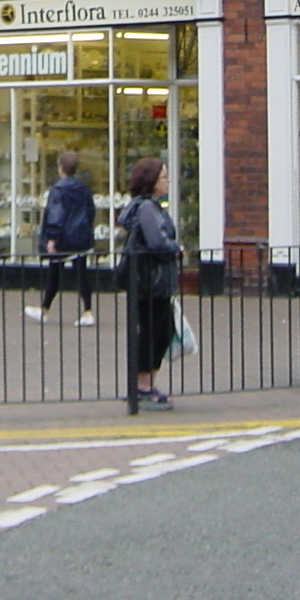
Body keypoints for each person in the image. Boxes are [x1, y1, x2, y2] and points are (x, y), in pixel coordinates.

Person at [116, 155, 181, 409]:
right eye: (164, 176)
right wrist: (176, 247)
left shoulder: (149, 207)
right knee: (155, 333)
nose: (167, 181)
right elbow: (157, 242)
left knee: (158, 332)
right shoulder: (147, 208)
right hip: (151, 281)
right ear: (151, 180)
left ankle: (146, 384)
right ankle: (143, 387)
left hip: (149, 280)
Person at [26, 151, 96, 326]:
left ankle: (44, 310)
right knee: (81, 274)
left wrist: (51, 238)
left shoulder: (58, 190)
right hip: (80, 237)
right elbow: (91, 211)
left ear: (60, 168)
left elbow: (56, 215)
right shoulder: (84, 189)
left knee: (54, 273)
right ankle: (88, 312)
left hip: (62, 239)